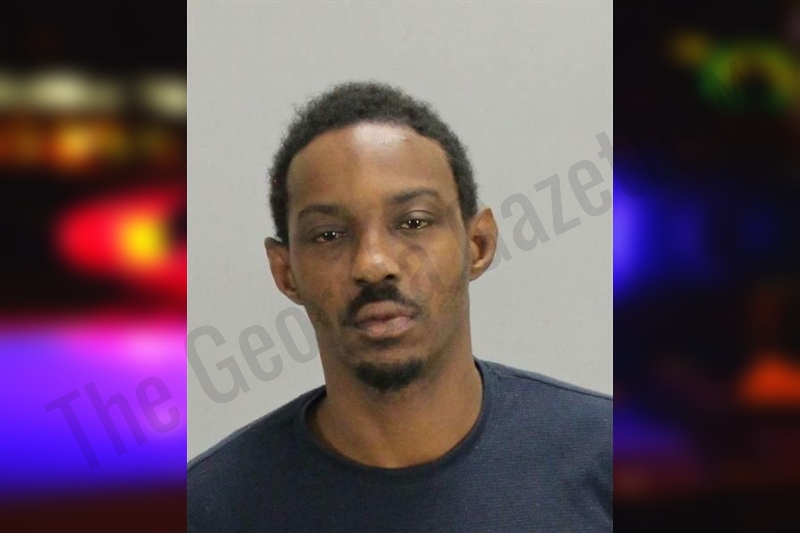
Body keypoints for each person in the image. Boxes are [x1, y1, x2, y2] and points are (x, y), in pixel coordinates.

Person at [188, 81, 612, 532]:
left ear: (478, 244)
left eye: (413, 222)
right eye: (329, 234)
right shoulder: (207, 510)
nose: (373, 264)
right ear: (286, 272)